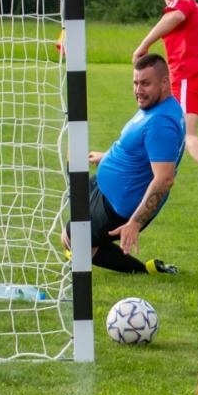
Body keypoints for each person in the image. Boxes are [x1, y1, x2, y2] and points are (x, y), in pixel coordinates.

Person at [63, 53, 184, 275]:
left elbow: (165, 178)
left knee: (73, 238)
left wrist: (135, 222)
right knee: (73, 181)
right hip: (105, 186)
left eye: (146, 83)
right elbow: (137, 145)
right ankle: (94, 248)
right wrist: (106, 157)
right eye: (136, 83)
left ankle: (144, 271)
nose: (138, 90)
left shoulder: (161, 123)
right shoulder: (155, 106)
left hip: (117, 206)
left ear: (165, 82)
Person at [132, 0, 198, 208]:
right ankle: (141, 168)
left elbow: (173, 18)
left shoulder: (184, 5)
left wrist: (144, 44)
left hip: (189, 79)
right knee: (169, 126)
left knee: (187, 134)